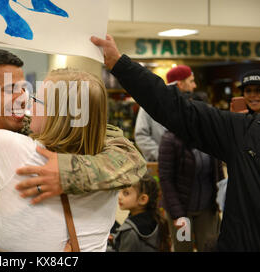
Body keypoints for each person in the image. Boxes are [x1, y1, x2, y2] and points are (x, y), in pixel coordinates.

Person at [0, 48, 147, 252]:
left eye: (24, 89)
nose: (22, 99)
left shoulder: (47, 128)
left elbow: (130, 158)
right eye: (10, 90)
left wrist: (69, 173)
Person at [91, 34, 260, 251]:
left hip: (208, 210)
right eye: (250, 91)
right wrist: (120, 64)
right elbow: (177, 110)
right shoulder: (243, 131)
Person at [158, 93, 224, 252]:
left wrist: (221, 201)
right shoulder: (170, 139)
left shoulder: (211, 136)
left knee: (209, 247)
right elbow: (165, 179)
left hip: (207, 210)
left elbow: (218, 172)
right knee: (183, 248)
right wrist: (178, 214)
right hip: (181, 210)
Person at [134, 65, 196, 162]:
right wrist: (163, 156)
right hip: (159, 167)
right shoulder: (150, 104)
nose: (194, 85)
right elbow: (141, 135)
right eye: (191, 81)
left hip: (187, 166)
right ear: (180, 84)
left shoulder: (190, 105)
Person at [108, 174, 170, 252]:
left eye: (126, 193)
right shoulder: (155, 219)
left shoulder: (130, 231)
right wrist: (115, 238)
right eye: (120, 191)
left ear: (143, 199)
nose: (119, 196)